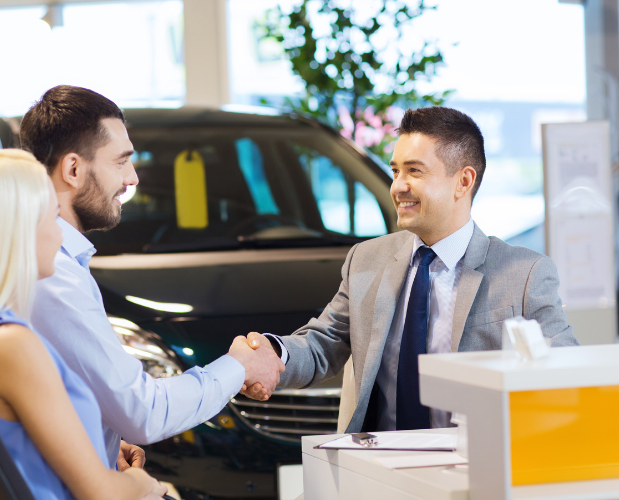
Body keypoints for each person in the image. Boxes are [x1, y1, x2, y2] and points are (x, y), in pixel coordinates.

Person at [243, 106, 580, 433]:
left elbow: (566, 373)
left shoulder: (524, 274)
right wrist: (273, 354)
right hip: (380, 466)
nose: (397, 187)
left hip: (472, 468)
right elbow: (323, 343)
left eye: (414, 171)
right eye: (395, 171)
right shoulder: (366, 260)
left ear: (463, 181)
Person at [20, 85, 284, 470]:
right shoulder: (54, 275)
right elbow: (143, 412)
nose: (133, 178)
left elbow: (54, 394)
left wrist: (99, 440)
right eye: (121, 161)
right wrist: (239, 365)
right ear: (73, 169)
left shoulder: (59, 262)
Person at [0, 149, 167, 500]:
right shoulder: (10, 346)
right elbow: (102, 493)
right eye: (53, 216)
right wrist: (148, 485)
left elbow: (5, 445)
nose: (60, 235)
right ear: (17, 231)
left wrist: (82, 449)